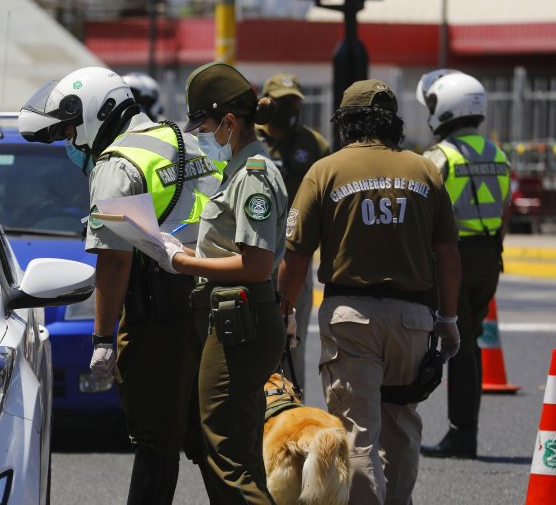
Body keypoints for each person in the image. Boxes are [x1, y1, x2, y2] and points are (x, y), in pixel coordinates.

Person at [18, 66, 224, 504]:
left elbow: (114, 262)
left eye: (72, 129)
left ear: (99, 112)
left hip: (161, 311)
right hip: (219, 297)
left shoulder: (118, 164)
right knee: (215, 440)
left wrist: (102, 338)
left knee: (156, 438)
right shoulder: (185, 140)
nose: (72, 142)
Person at [277, 79, 462, 504]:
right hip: (414, 319)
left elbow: (296, 259)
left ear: (345, 122)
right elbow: (449, 257)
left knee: (356, 433)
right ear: (392, 124)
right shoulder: (424, 171)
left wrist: (283, 312)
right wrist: (448, 321)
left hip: (351, 319)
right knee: (401, 427)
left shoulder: (325, 171)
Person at [158, 61, 287, 504]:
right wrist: (190, 256)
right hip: (235, 317)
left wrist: (182, 263)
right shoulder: (239, 168)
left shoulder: (253, 176)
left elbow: (255, 265)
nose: (200, 135)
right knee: (240, 448)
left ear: (229, 122)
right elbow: (231, 253)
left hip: (241, 320)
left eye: (205, 126)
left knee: (224, 450)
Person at [416, 70, 511, 460]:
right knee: (467, 340)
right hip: (489, 255)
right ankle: (462, 431)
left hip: (453, 257)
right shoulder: (497, 153)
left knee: (454, 342)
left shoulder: (441, 156)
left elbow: (421, 210)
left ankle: (461, 434)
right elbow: (503, 212)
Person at [257, 72, 331, 389]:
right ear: (266, 102)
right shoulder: (247, 137)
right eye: (283, 101)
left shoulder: (313, 144)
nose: (290, 108)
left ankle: (292, 410)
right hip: (252, 252)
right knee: (254, 342)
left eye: (295, 102)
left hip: (293, 256)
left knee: (292, 342)